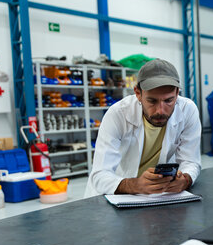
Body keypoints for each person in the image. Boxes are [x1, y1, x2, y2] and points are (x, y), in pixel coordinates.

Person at [85, 59, 201, 196]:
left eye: (168, 100)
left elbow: (190, 161)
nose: (160, 111)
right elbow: (99, 175)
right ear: (138, 93)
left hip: (159, 196)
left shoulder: (188, 110)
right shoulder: (118, 114)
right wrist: (134, 185)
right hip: (116, 194)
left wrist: (185, 179)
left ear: (177, 93)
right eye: (152, 101)